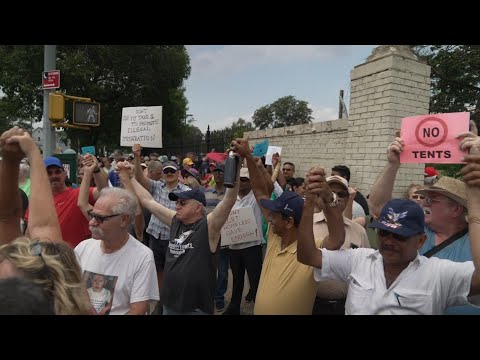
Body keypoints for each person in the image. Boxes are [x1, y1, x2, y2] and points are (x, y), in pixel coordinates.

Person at [298, 151, 480, 314]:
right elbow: (308, 256)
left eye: (400, 236)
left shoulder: (438, 273)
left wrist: (475, 200)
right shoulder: (360, 260)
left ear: (420, 241)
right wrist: (309, 203)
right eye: (384, 232)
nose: (389, 241)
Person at [118, 156, 241, 315]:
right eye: (176, 202)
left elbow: (229, 200)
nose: (177, 206)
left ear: (198, 207)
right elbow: (148, 200)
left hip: (196, 308)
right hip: (170, 304)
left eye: (183, 203)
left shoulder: (208, 227)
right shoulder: (175, 221)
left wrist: (236, 163)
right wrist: (130, 177)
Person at [231, 138, 321, 315]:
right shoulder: (273, 236)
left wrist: (327, 200)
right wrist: (249, 157)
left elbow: (337, 239)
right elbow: (260, 192)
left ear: (289, 222)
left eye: (274, 215)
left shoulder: (314, 249)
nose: (269, 219)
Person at [75, 183, 159, 315]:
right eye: (92, 215)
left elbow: (138, 311)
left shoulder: (142, 256)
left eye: (100, 218)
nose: (92, 223)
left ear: (124, 220)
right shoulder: (82, 248)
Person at [23, 153, 108, 248]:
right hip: (47, 258)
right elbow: (29, 232)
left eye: (57, 172)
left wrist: (96, 169)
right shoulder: (37, 202)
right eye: (49, 173)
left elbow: (103, 190)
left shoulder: (79, 194)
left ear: (64, 174)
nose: (54, 176)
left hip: (76, 257)